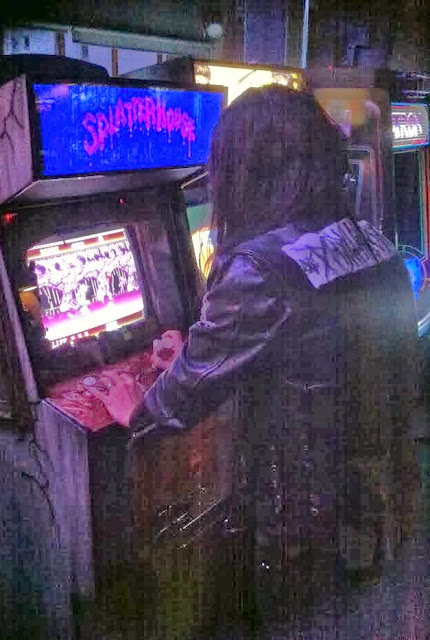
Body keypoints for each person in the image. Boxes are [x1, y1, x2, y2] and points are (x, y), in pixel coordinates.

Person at [89, 86, 422, 632]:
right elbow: (313, 343)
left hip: (302, 514)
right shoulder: (367, 240)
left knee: (299, 621)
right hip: (378, 487)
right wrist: (201, 348)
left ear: (248, 170)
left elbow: (184, 396)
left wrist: (137, 408)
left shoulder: (257, 265)